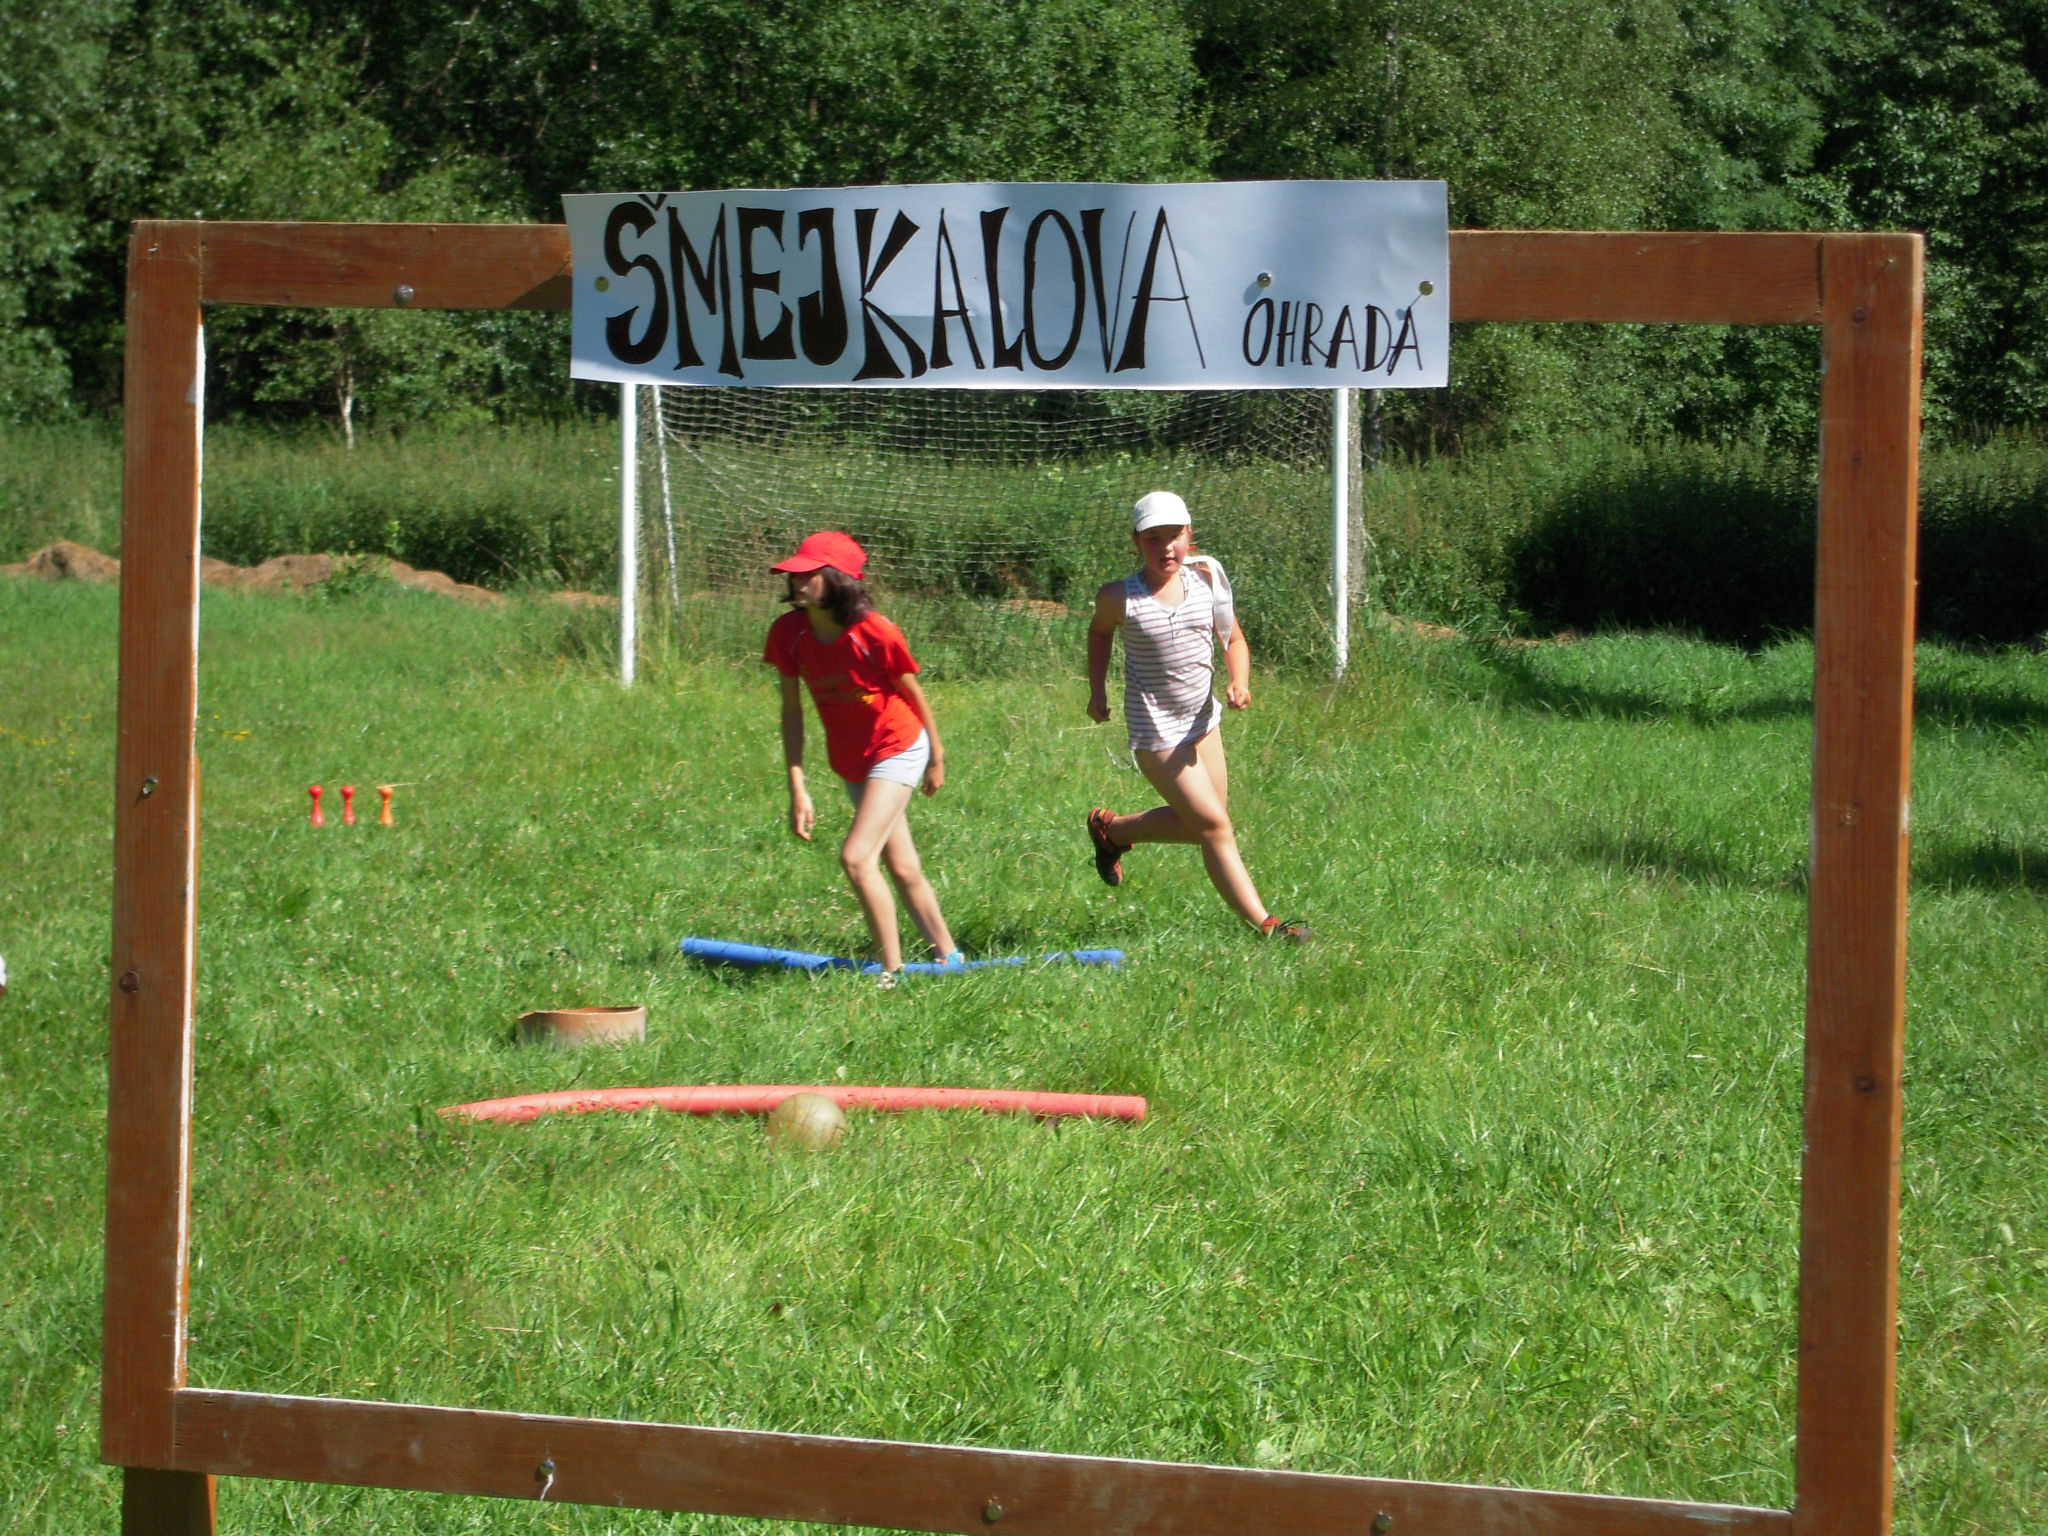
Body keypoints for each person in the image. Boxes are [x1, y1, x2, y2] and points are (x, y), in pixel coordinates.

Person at [1084, 491, 1309, 942]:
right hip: (1157, 733)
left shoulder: (1207, 582)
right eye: (1153, 538)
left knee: (1201, 826)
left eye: (1174, 536)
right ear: (1136, 542)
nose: (1165, 547)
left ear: (1189, 536)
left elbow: (1234, 639)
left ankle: (1112, 831)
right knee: (1214, 827)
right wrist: (1097, 690)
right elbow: (1099, 634)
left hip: (1203, 724)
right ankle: (1267, 927)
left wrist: (1240, 680)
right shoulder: (1119, 596)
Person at [764, 530, 963, 984]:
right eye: (795, 574)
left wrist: (937, 755)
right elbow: (792, 712)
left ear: (838, 580)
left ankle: (890, 974)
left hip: (898, 745)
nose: (797, 582)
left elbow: (913, 693)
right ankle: (950, 956)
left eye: (810, 574)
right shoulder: (789, 633)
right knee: (901, 865)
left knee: (856, 858)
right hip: (852, 757)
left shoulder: (874, 631)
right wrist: (798, 787)